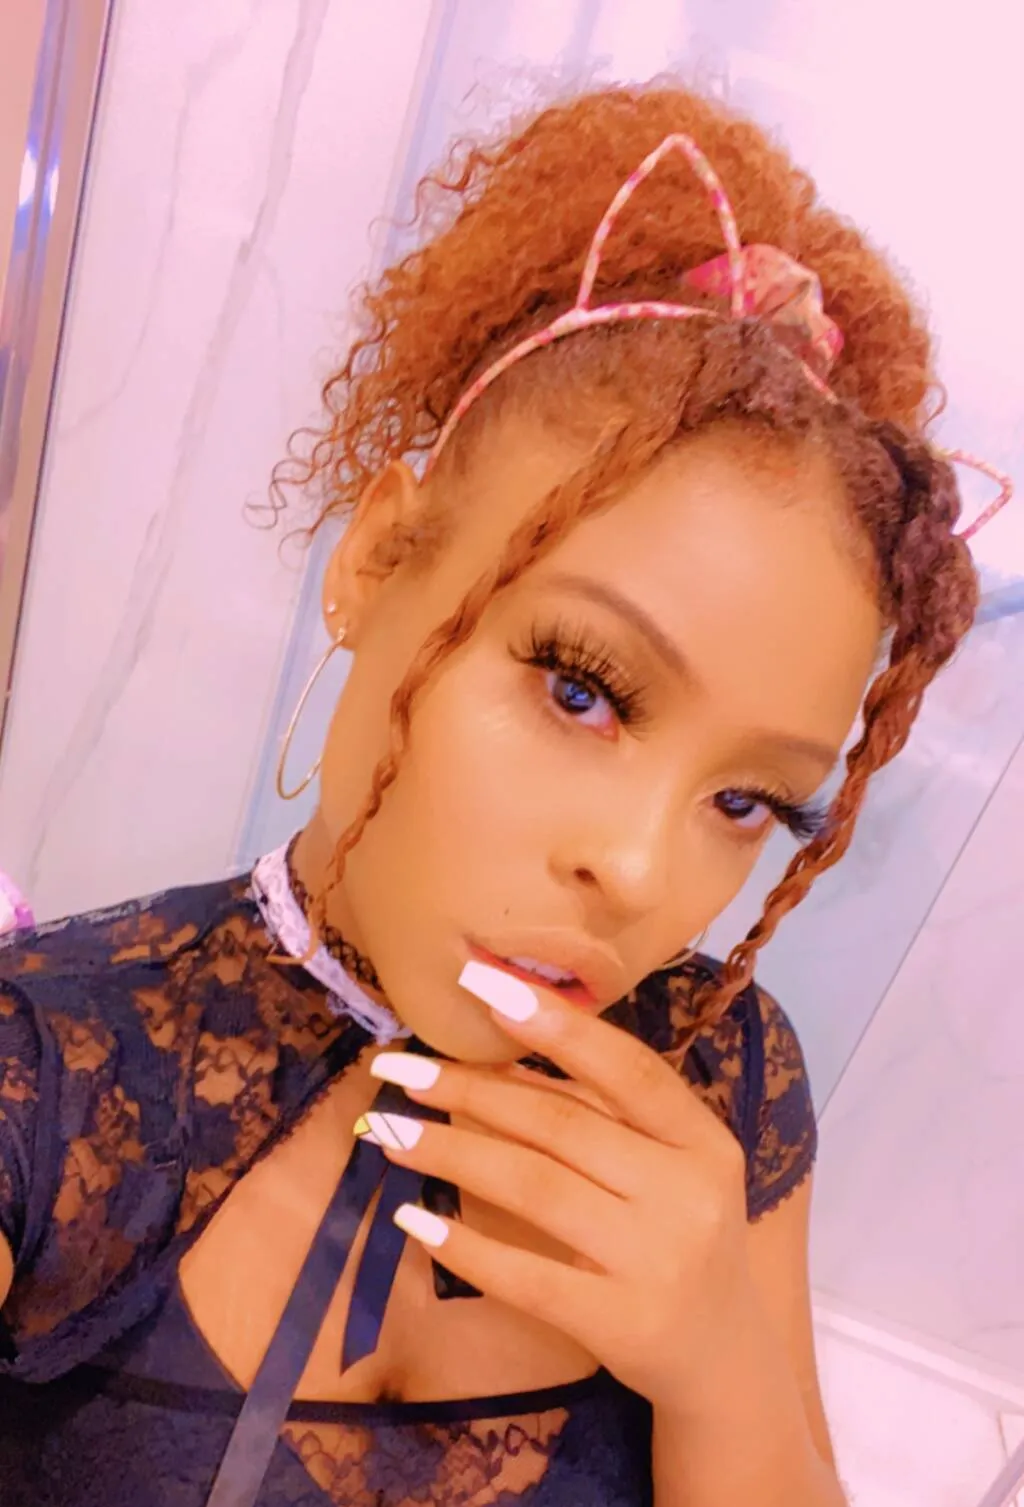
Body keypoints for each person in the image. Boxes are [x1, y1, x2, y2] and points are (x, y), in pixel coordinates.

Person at [0, 82, 1008, 1507]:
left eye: (749, 802)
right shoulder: (46, 1074)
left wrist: (721, 1365)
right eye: (582, 687)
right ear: (377, 560)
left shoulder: (723, 1075)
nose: (640, 871)